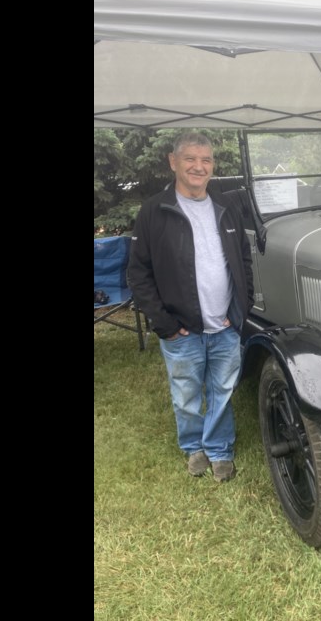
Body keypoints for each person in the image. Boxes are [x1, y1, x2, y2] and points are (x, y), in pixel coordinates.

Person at [128, 132, 254, 482]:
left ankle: (219, 448)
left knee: (222, 391)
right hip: (180, 328)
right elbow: (138, 272)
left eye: (206, 160)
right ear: (173, 162)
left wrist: (242, 306)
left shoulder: (226, 205)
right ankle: (193, 448)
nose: (199, 167)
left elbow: (243, 260)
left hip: (225, 325)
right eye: (190, 159)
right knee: (185, 394)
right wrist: (163, 322)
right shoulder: (155, 210)